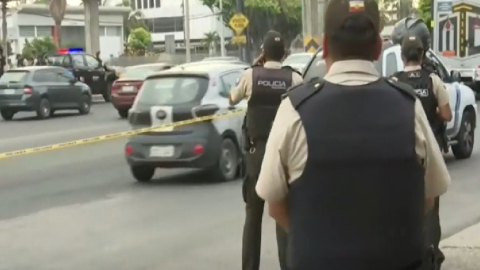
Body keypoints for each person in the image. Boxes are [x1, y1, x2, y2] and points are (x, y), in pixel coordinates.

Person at [255, 0, 451, 269]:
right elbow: (429, 198)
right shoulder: (408, 107)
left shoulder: (294, 109)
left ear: (324, 46)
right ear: (379, 48)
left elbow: (275, 206)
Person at [229, 30, 303, 270]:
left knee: (253, 216)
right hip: (283, 157)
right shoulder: (294, 79)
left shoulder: (251, 75)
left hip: (257, 154)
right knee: (283, 216)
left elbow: (232, 97)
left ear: (263, 52)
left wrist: (255, 67)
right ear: (284, 55)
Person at [391, 33, 452, 270]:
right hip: (430, 149)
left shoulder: (394, 82)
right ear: (423, 54)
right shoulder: (433, 80)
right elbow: (447, 115)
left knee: (403, 205)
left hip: (402, 151)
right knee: (430, 207)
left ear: (402, 55)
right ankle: (430, 256)